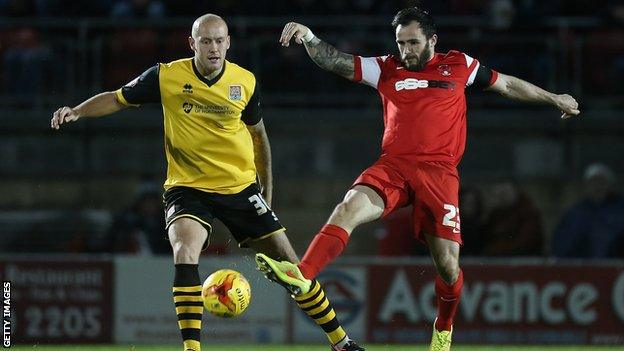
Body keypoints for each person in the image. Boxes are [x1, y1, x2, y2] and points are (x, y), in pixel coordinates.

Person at [254, 7, 580, 351]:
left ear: (432, 40)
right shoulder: (385, 67)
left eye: (412, 42)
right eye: (400, 43)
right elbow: (336, 61)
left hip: (439, 175)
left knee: (449, 269)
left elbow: (507, 84)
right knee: (348, 207)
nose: (405, 50)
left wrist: (553, 97)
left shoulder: (460, 65)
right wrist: (309, 37)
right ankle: (302, 275)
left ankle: (443, 328)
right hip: (393, 167)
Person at [50, 14, 363, 351]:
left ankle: (341, 342)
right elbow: (117, 97)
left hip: (240, 189)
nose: (213, 48)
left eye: (219, 41)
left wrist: (266, 195)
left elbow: (260, 140)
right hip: (188, 188)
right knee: (184, 251)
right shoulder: (167, 76)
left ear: (228, 43)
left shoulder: (245, 82)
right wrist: (78, 111)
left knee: (292, 266)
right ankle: (192, 349)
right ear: (192, 43)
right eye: (206, 41)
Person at [551, 163, 624, 258]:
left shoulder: (620, 211)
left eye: (601, 182)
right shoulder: (575, 213)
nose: (597, 186)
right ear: (586, 186)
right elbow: (562, 243)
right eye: (593, 182)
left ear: (610, 185)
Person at [480, 180, 544, 256]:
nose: (501, 199)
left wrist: (494, 249)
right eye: (498, 195)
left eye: (504, 194)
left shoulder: (527, 212)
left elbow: (524, 242)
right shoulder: (495, 214)